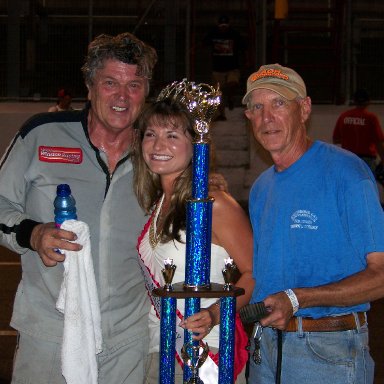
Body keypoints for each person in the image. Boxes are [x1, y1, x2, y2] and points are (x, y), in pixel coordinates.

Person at [0, 32, 157, 384]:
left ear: (146, 92)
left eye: (134, 85)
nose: (122, 96)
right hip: (49, 334)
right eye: (110, 83)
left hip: (126, 340)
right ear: (89, 87)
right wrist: (32, 233)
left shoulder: (159, 151)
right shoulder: (41, 135)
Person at [242, 63, 384, 384]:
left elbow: (380, 276)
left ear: (304, 109)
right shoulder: (261, 188)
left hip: (327, 353)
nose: (267, 117)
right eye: (258, 106)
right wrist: (218, 311)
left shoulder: (348, 173)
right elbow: (259, 277)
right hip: (264, 349)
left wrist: (298, 298)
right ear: (248, 116)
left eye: (279, 103)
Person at [133, 85, 254, 384]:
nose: (158, 144)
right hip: (155, 348)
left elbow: (256, 272)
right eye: (151, 134)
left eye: (172, 135)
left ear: (195, 144)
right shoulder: (157, 203)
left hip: (203, 353)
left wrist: (214, 313)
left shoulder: (216, 204)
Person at [203, 15, 246, 120]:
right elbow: (204, 42)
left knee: (233, 83)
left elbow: (243, 46)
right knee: (218, 93)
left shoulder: (234, 34)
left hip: (232, 67)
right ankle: (221, 114)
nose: (223, 28)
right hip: (218, 68)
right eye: (222, 26)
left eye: (225, 26)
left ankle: (230, 98)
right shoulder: (213, 34)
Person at [333, 88, 384, 172]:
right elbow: (378, 142)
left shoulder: (344, 116)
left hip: (347, 158)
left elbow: (336, 139)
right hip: (367, 160)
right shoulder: (371, 118)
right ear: (368, 101)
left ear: (354, 101)